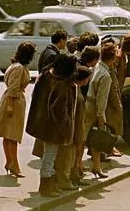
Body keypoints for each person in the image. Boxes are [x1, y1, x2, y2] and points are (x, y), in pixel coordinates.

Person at [26, 54, 77, 197]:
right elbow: (59, 111)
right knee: (50, 157)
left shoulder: (45, 76)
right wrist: (66, 128)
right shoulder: (62, 85)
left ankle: (50, 186)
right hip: (53, 128)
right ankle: (46, 187)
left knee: (48, 156)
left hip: (41, 123)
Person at [0, 42, 36, 178]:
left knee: (8, 135)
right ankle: (14, 164)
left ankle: (10, 162)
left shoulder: (16, 65)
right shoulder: (19, 68)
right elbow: (13, 87)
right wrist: (10, 107)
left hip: (12, 100)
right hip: (13, 102)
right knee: (12, 135)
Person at [84, 43, 118, 179]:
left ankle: (96, 166)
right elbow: (102, 99)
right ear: (113, 58)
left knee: (92, 139)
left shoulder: (98, 67)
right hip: (94, 108)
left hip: (89, 103)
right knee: (91, 138)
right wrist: (101, 117)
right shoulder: (106, 75)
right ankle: (88, 167)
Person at [69, 66, 93, 187]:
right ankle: (73, 176)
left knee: (76, 153)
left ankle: (75, 176)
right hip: (75, 128)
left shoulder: (77, 89)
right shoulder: (75, 90)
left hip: (77, 127)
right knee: (74, 154)